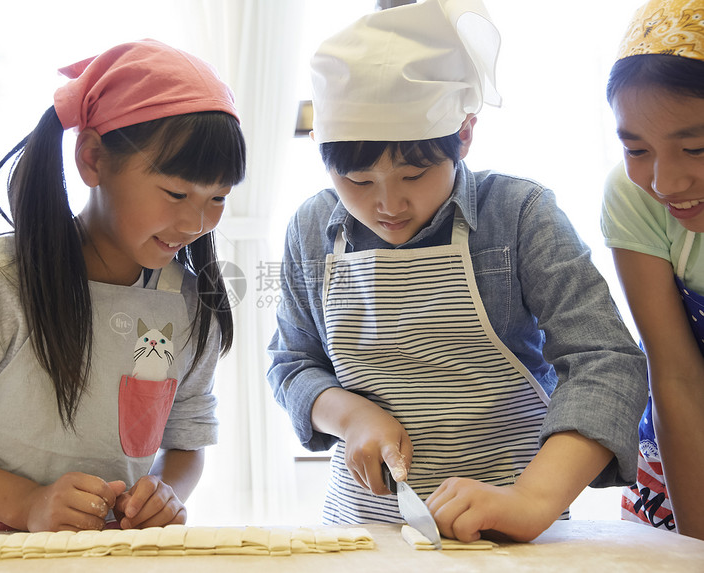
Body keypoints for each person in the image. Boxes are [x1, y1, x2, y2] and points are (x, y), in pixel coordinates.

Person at [267, 0, 647, 543]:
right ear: (319, 152)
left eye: (415, 174)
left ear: (464, 135)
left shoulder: (518, 215)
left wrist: (532, 498)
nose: (387, 205)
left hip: (511, 529)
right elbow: (291, 363)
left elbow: (605, 360)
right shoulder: (310, 228)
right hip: (362, 531)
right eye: (357, 180)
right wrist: (350, 416)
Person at [0, 39, 246, 532]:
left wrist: (166, 492)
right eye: (176, 192)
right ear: (92, 158)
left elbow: (186, 441)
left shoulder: (191, 306)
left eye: (217, 197)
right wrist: (26, 504)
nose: (198, 221)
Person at [600, 0, 704, 540]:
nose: (666, 183)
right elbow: (677, 375)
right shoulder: (634, 195)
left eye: (696, 147)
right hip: (688, 455)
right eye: (637, 148)